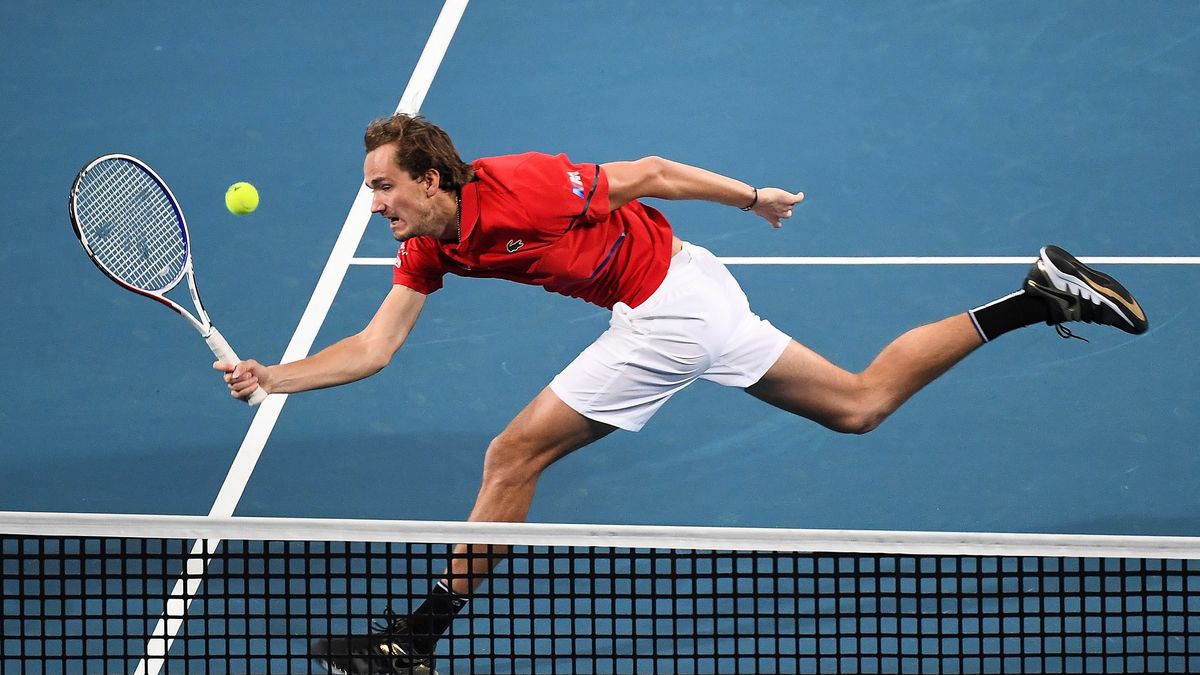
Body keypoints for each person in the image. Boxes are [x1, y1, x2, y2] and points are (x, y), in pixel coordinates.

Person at [214, 114, 1148, 675]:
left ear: (427, 176)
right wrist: (274, 375)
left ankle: (413, 638)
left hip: (671, 307)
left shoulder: (528, 188)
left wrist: (753, 198)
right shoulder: (427, 244)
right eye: (369, 191)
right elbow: (376, 348)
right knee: (859, 404)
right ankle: (1036, 297)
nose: (373, 204)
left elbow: (650, 174)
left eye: (382, 187)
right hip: (682, 293)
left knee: (512, 455)